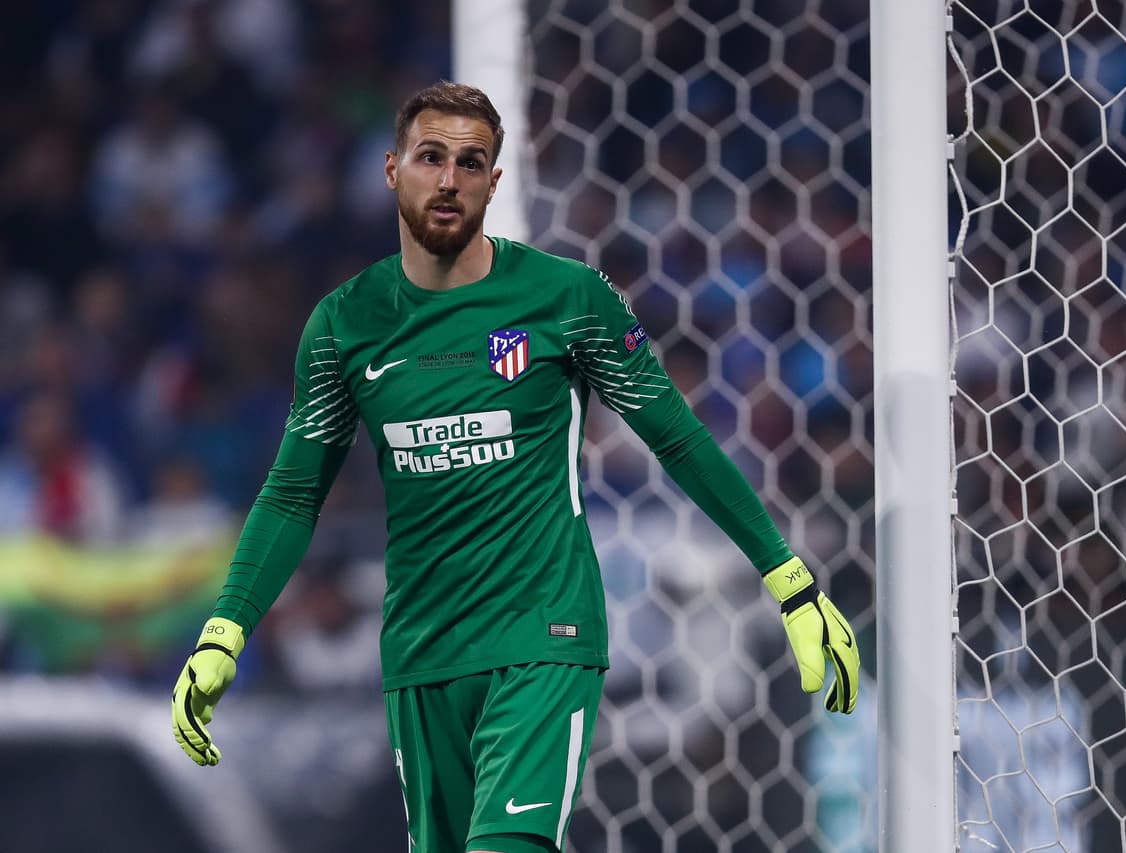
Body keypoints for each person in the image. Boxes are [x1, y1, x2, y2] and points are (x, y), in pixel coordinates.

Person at [170, 81, 859, 853]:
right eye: (432, 157)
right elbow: (295, 493)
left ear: (496, 181)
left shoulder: (565, 299)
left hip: (544, 634)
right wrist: (226, 630)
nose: (450, 178)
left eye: (472, 162)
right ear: (393, 169)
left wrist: (790, 582)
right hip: (422, 648)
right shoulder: (345, 323)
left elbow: (680, 439)